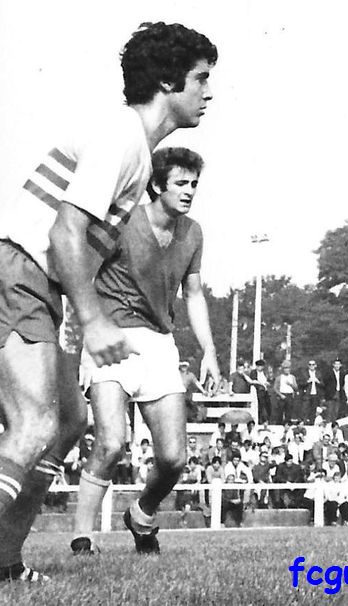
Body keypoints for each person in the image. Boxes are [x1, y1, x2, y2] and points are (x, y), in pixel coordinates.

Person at [0, 22, 216, 582]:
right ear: (168, 81)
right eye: (200, 79)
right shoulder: (122, 137)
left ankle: (3, 561)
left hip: (40, 285)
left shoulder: (139, 155)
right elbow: (64, 236)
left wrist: (75, 311)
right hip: (21, 270)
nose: (208, 93)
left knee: (68, 423)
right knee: (35, 422)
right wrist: (92, 320)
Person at [71, 146, 222, 556]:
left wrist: (209, 351)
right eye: (181, 183)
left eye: (194, 184)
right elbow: (80, 273)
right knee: (111, 444)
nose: (189, 191)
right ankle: (82, 538)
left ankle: (140, 514)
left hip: (159, 344)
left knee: (174, 458)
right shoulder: (122, 222)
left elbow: (193, 294)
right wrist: (89, 331)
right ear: (157, 185)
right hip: (112, 338)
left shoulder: (193, 233)